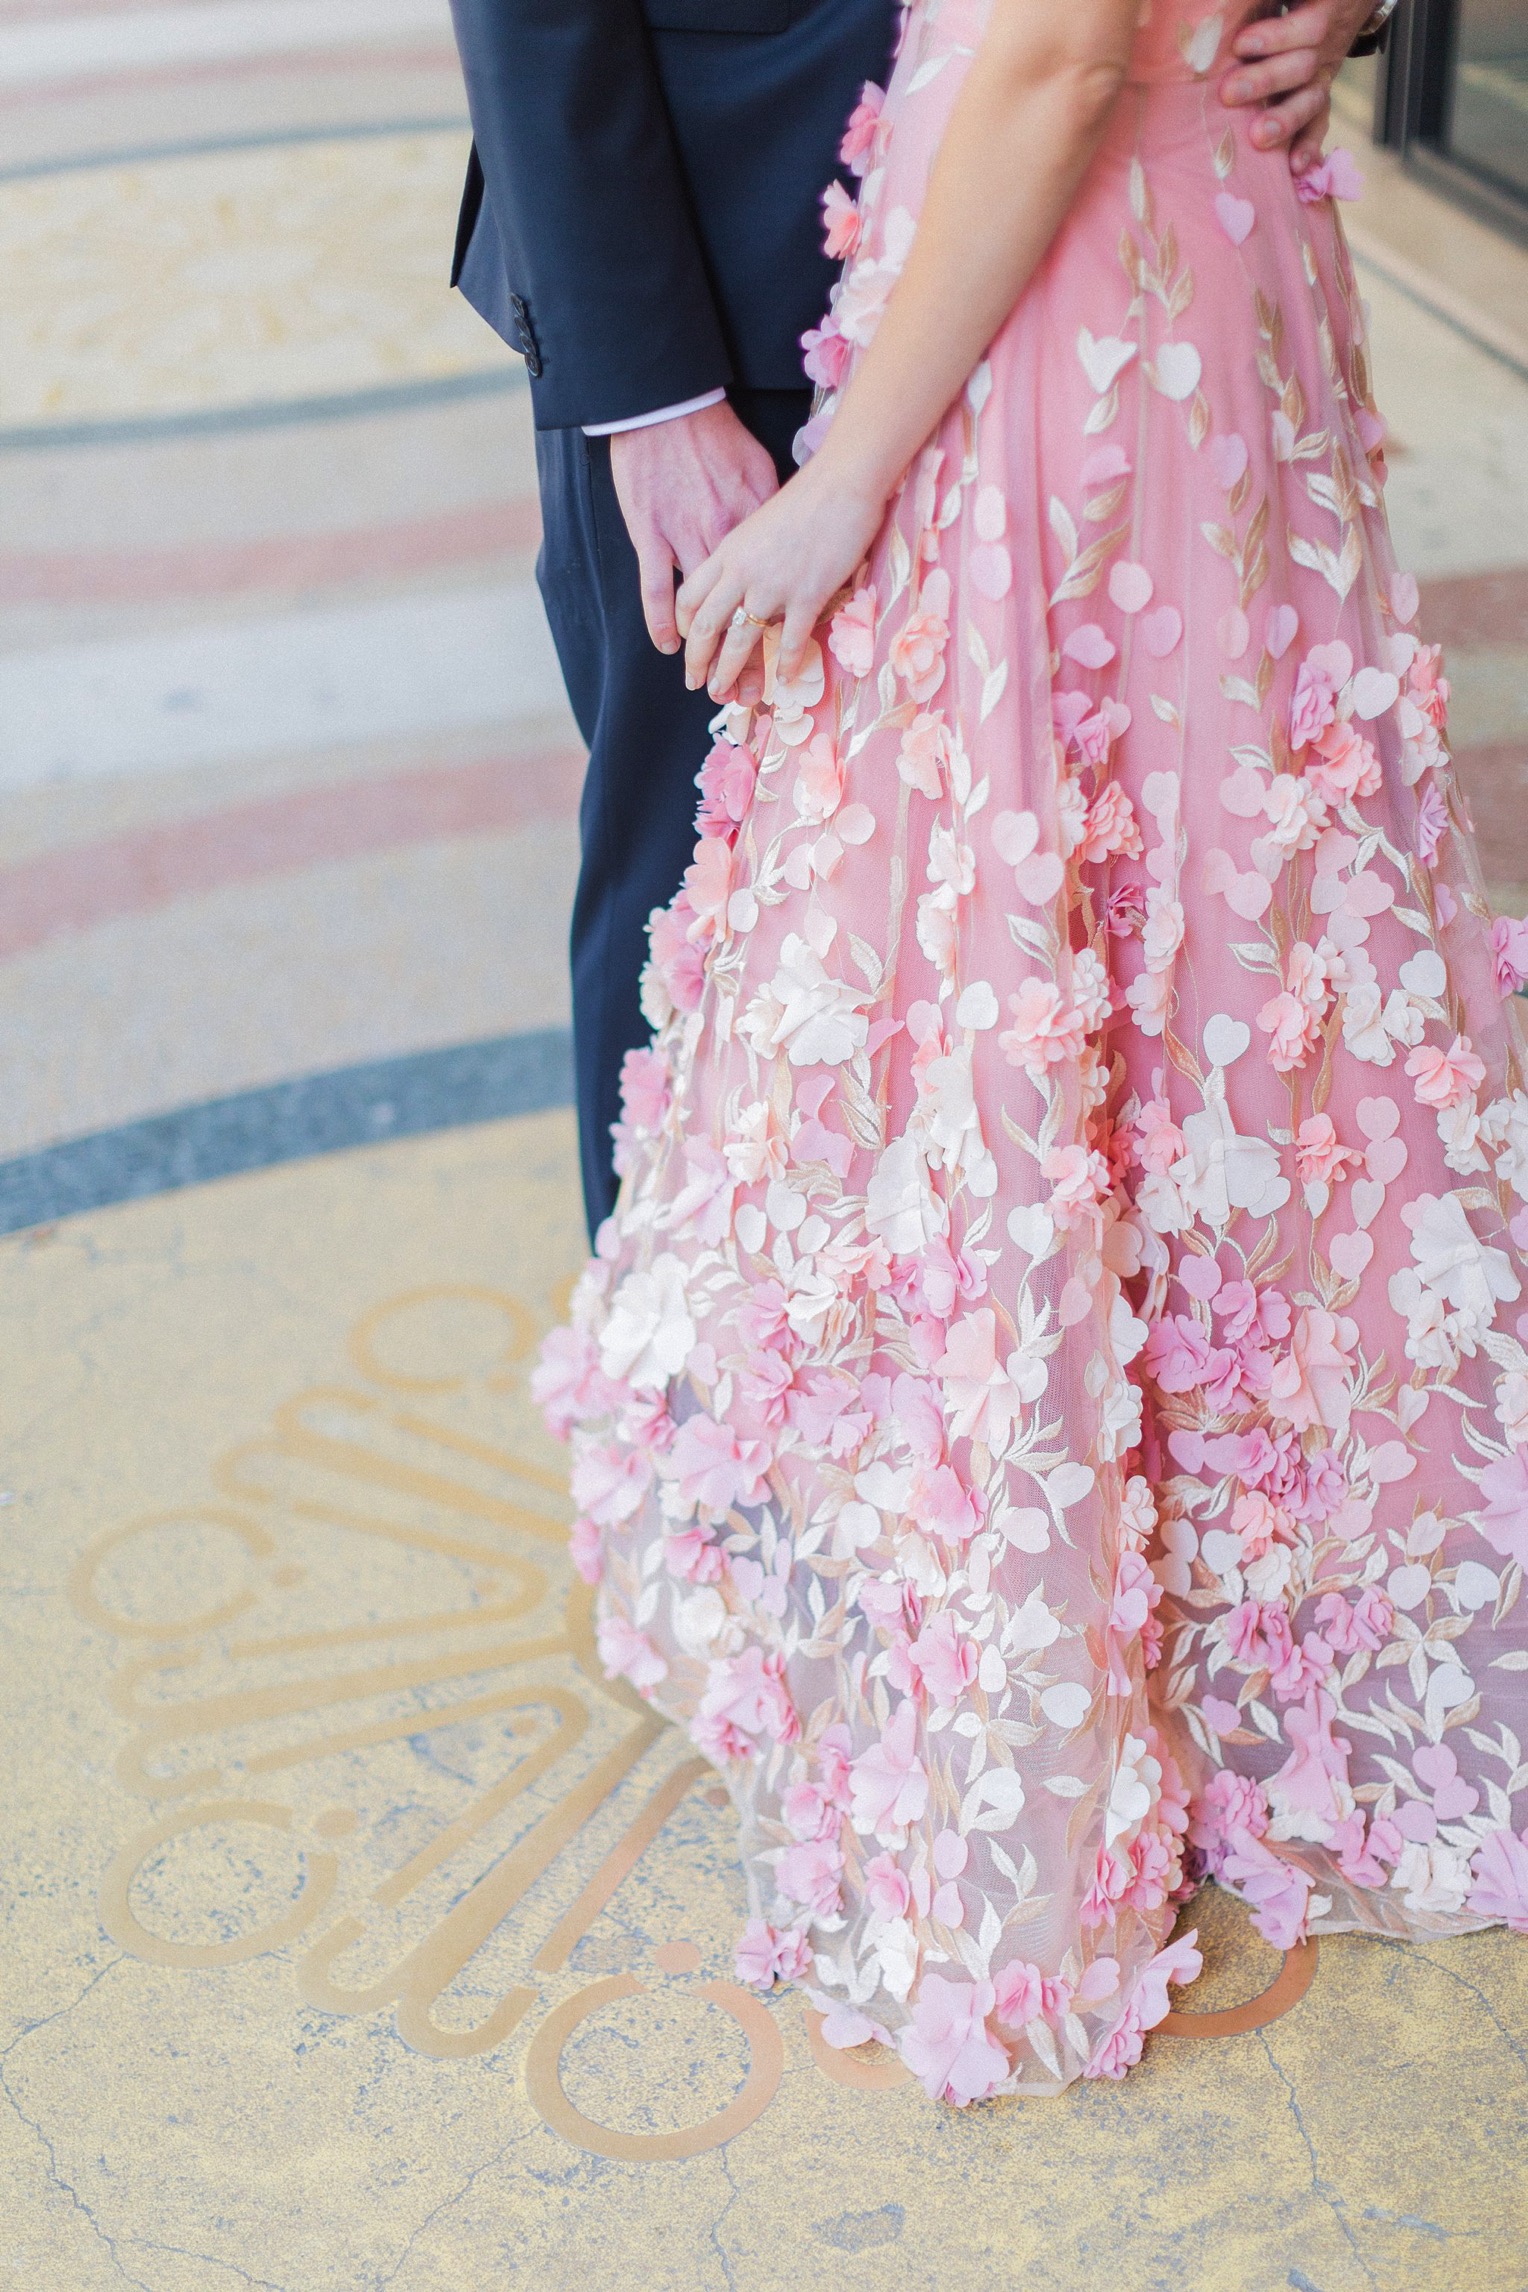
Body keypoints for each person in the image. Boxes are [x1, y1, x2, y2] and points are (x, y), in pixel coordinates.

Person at [535, 0, 1528, 2102]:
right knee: (1185, 937)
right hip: (1102, 244)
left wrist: (839, 495)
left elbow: (1072, 47)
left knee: (1059, 923)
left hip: (1055, 277)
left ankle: (1071, 1589)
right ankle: (1189, 1565)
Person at [447, 0, 1377, 1235]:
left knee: (1126, 913)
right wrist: (650, 387)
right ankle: (692, 1402)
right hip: (735, 280)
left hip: (1128, 299)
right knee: (726, 937)